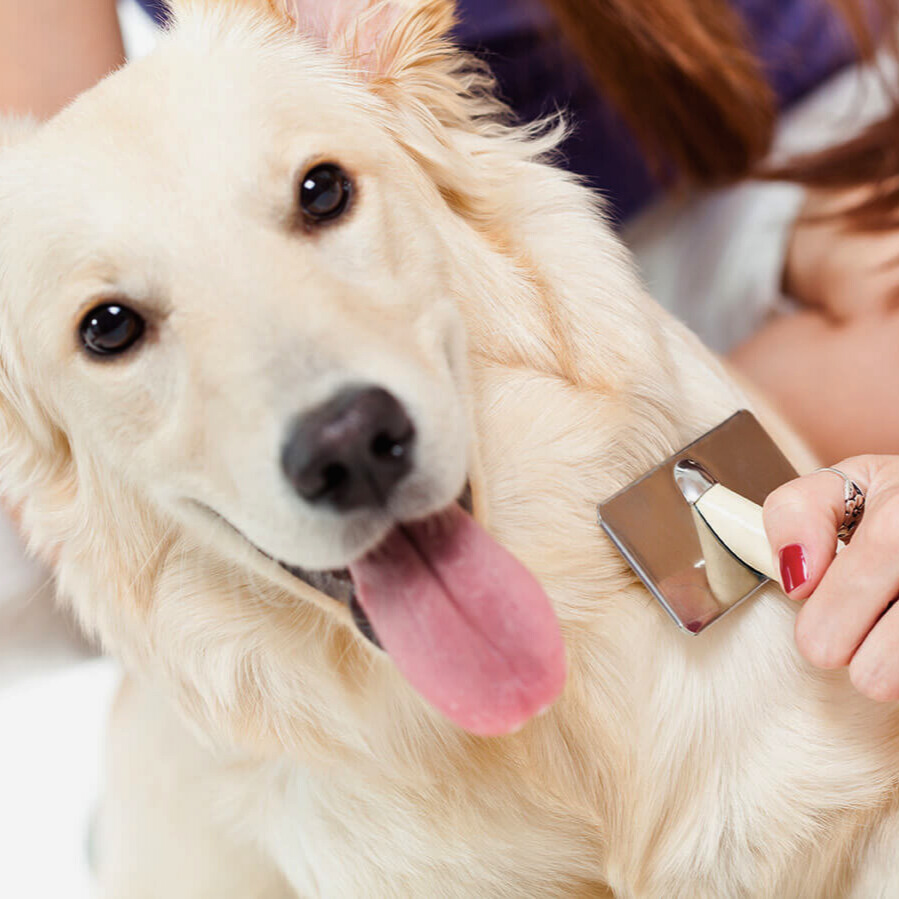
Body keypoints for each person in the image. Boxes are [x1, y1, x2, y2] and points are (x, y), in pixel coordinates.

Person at [1, 0, 899, 702]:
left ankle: (713, 587)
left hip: (803, 135)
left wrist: (820, 203)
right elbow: (73, 214)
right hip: (478, 216)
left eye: (316, 194)